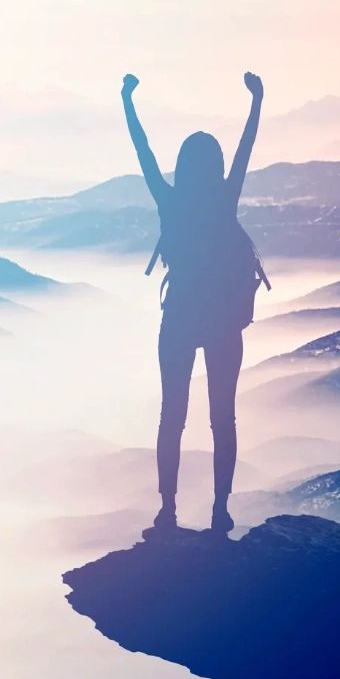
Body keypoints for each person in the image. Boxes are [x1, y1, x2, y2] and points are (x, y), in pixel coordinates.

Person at [121, 71, 264, 532]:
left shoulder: (171, 201)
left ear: (183, 165)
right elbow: (246, 150)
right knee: (223, 418)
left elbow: (142, 153)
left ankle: (168, 509)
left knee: (172, 418)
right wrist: (256, 101)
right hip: (223, 323)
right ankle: (221, 510)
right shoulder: (225, 201)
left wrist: (127, 101)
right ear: (215, 165)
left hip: (179, 317)